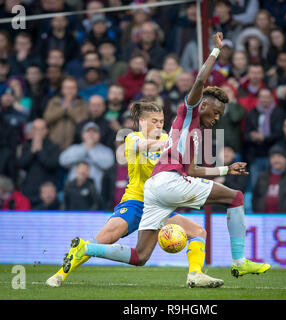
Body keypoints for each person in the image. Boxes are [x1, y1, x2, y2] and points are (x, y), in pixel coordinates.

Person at [55, 33, 270, 288]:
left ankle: (88, 249)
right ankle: (239, 262)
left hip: (157, 193)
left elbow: (190, 169)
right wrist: (215, 52)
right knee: (235, 198)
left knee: (143, 255)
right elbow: (200, 80)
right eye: (216, 112)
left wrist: (226, 168)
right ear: (203, 106)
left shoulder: (190, 135)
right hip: (151, 191)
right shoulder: (181, 116)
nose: (218, 117)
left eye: (221, 114)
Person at [46, 100, 216, 288]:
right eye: (154, 121)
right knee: (104, 239)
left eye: (161, 121)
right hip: (136, 202)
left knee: (197, 232)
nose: (159, 124)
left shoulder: (167, 138)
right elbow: (145, 145)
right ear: (142, 122)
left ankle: (195, 274)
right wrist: (172, 142)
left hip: (159, 206)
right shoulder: (132, 138)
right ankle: (60, 275)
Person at [59, 122, 114, 193]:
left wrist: (91, 150)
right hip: (74, 192)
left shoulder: (106, 150)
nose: (91, 134)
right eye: (88, 131)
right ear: (82, 135)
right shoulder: (74, 148)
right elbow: (62, 161)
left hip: (95, 192)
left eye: (95, 131)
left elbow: (108, 164)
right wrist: (84, 149)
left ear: (99, 135)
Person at [18, 119, 60, 206]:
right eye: (35, 129)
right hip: (29, 189)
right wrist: (32, 152)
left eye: (40, 129)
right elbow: (21, 165)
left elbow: (52, 165)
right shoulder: (27, 146)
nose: (37, 132)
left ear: (46, 131)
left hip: (46, 191)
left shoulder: (53, 146)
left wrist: (40, 151)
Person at [43, 76, 88, 151]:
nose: (69, 91)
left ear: (76, 90)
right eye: (67, 88)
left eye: (72, 88)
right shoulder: (54, 102)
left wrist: (69, 109)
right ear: (62, 89)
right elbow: (47, 119)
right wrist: (62, 109)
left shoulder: (83, 104)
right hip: (53, 143)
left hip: (74, 144)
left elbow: (82, 121)